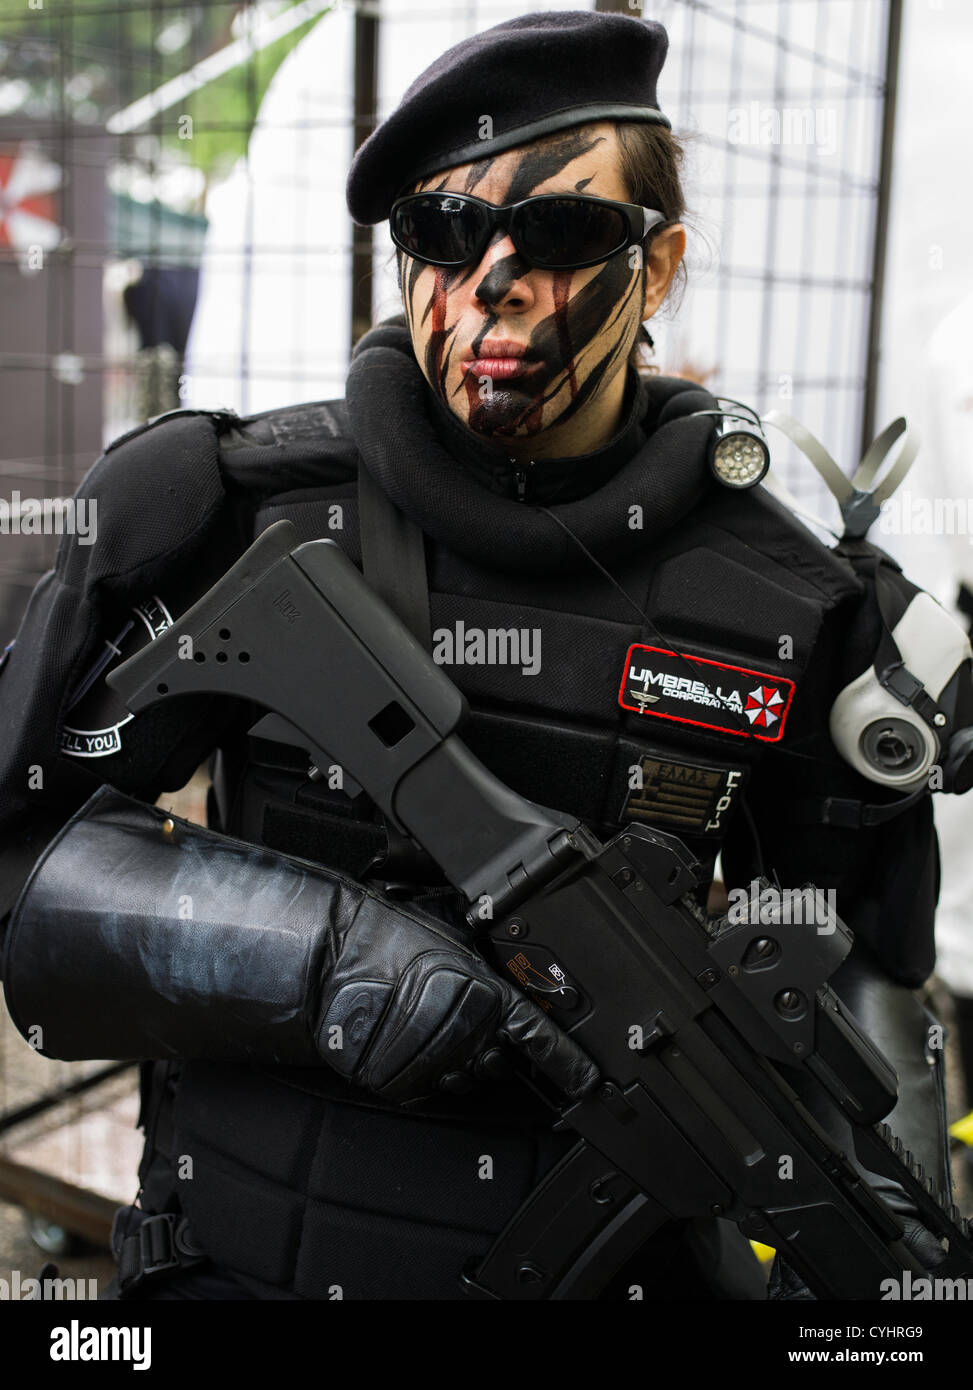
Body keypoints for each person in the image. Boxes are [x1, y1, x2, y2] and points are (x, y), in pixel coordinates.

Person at [0, 11, 970, 1301]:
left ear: (660, 263)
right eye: (440, 235)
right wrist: (324, 959)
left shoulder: (799, 611)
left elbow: (860, 976)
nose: (492, 281)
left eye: (562, 235)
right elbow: (20, 861)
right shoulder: (218, 515)